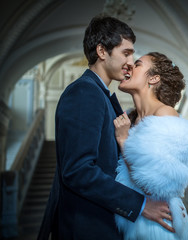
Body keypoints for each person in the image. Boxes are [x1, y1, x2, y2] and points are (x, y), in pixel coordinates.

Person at [38, 15, 174, 240]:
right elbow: (78, 171)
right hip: (86, 227)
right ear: (102, 51)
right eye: (126, 53)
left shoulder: (100, 95)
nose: (131, 61)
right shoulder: (84, 92)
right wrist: (140, 205)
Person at [113, 52, 188, 240]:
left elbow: (156, 184)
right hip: (134, 221)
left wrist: (123, 141)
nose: (129, 66)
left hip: (160, 224)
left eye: (137, 64)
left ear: (154, 78)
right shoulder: (130, 119)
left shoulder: (166, 113)